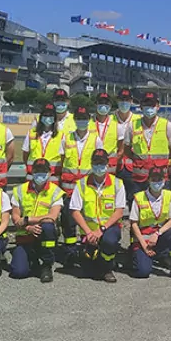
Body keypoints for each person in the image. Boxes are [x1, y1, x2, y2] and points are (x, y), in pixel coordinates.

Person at [70, 149, 127, 282]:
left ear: (107, 164)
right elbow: (75, 210)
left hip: (109, 228)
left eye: (102, 163)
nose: (99, 166)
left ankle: (107, 268)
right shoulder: (82, 184)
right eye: (96, 163)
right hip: (89, 232)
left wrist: (101, 230)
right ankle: (93, 257)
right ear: (91, 164)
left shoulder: (117, 183)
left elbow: (119, 211)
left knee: (109, 242)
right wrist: (89, 232)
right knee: (88, 272)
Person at [59, 106, 104, 266]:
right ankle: (70, 253)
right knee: (68, 223)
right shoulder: (66, 138)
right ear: (74, 120)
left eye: (84, 118)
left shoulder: (96, 139)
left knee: (88, 220)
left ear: (89, 120)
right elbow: (62, 162)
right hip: (69, 188)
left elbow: (99, 162)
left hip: (88, 190)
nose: (81, 121)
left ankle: (88, 250)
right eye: (79, 118)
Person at [10, 159, 63, 282]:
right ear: (32, 172)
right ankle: (32, 259)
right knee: (18, 272)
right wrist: (28, 227)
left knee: (48, 226)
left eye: (43, 171)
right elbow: (15, 217)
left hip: (44, 234)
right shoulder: (20, 190)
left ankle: (46, 265)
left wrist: (28, 220)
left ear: (49, 173)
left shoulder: (55, 191)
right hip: (25, 234)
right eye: (37, 171)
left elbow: (53, 216)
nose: (40, 174)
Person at [130, 167, 171, 280]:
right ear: (148, 180)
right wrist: (144, 246)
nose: (156, 183)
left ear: (164, 180)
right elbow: (134, 224)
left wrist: (157, 234)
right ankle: (135, 256)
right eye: (153, 180)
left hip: (159, 237)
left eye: (159, 179)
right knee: (143, 272)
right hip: (143, 240)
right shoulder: (139, 197)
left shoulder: (169, 195)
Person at [123, 90, 171, 200]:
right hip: (139, 180)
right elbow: (127, 150)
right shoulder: (132, 126)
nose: (149, 108)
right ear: (141, 107)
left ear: (158, 106)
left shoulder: (167, 125)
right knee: (138, 206)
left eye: (152, 105)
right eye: (146, 104)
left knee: (162, 206)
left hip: (160, 179)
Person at [92, 89, 139, 197]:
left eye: (127, 100)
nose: (124, 102)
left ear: (131, 101)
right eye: (122, 99)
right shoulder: (111, 119)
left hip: (132, 166)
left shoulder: (138, 120)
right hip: (113, 166)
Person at [22, 103, 62, 184]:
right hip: (33, 177)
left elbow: (63, 157)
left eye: (50, 115)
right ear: (41, 117)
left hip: (52, 179)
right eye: (45, 115)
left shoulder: (61, 135)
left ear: (55, 118)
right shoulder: (31, 133)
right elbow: (25, 154)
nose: (48, 118)